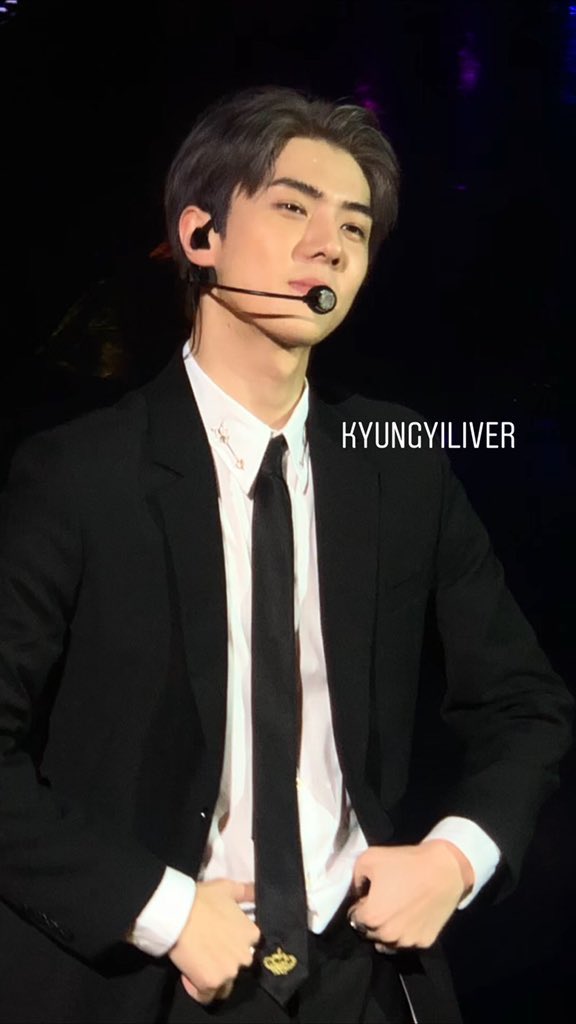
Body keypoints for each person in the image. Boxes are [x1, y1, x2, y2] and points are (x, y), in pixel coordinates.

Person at [0, 85, 572, 1024]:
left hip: (361, 974)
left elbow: (524, 701)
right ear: (201, 235)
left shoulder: (399, 463)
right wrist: (162, 909)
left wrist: (455, 857)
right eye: (292, 208)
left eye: (354, 227)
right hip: (154, 974)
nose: (329, 246)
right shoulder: (79, 473)